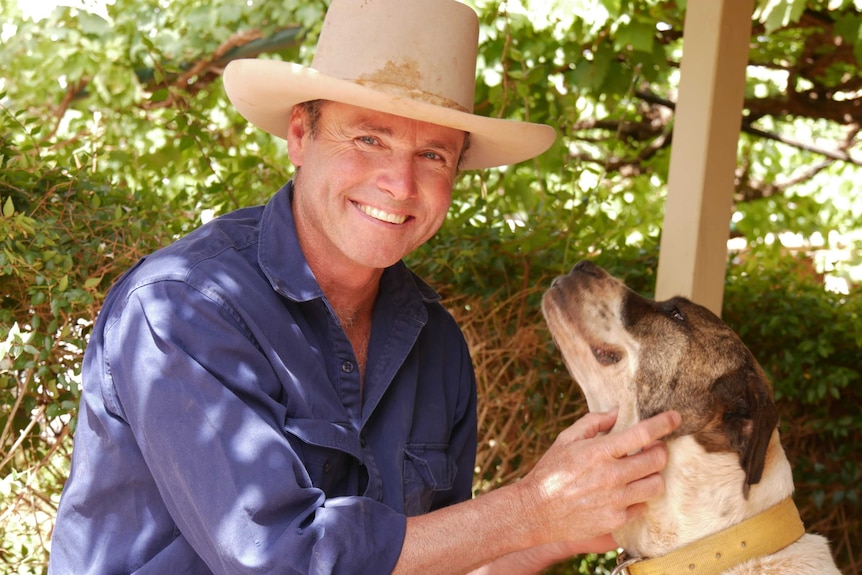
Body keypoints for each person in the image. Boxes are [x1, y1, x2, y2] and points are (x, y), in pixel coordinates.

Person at [49, 0, 681, 573]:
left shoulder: (436, 344)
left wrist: (569, 522)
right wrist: (531, 510)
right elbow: (278, 560)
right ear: (300, 134)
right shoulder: (184, 305)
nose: (399, 185)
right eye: (369, 139)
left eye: (433, 155)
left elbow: (427, 561)